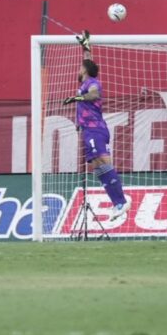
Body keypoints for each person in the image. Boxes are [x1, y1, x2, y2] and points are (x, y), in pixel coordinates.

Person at [63, 30, 130, 221]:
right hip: (88, 130)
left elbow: (94, 95)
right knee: (97, 166)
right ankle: (118, 202)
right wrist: (85, 45)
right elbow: (88, 61)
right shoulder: (87, 79)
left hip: (95, 128)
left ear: (84, 70)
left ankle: (121, 200)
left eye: (80, 67)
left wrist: (75, 98)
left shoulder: (93, 83)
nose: (78, 69)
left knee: (103, 163)